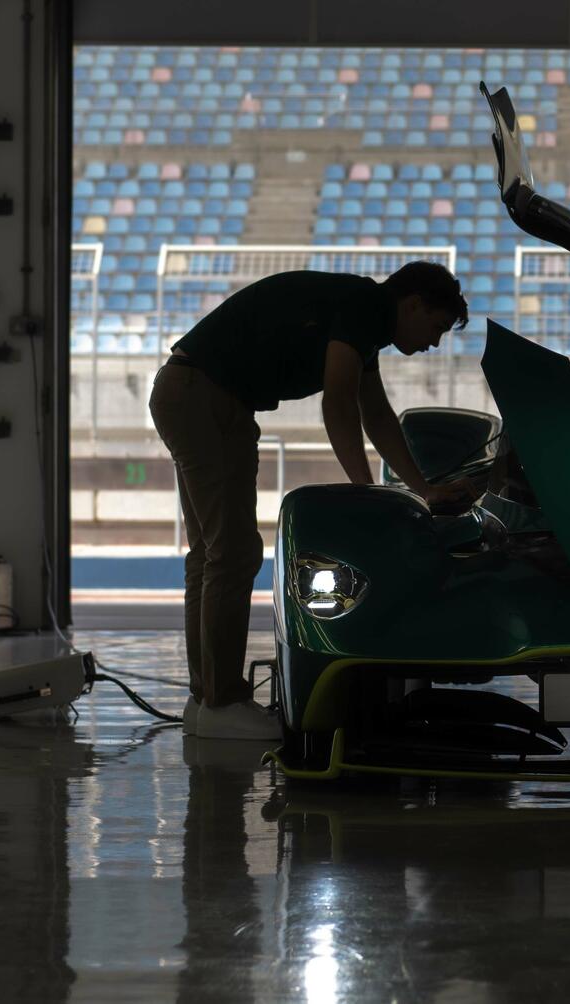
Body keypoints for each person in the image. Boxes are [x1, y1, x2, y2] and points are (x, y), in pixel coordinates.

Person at [149, 262, 475, 740]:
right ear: (412, 304)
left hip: (190, 391)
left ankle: (206, 700)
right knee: (232, 553)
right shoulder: (364, 308)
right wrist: (367, 493)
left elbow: (376, 412)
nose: (433, 342)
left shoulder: (363, 317)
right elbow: (339, 402)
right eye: (436, 327)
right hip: (206, 397)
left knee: (212, 554)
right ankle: (221, 702)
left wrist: (421, 490)